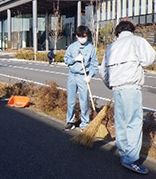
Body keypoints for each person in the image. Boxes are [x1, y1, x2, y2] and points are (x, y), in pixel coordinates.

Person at [99, 21, 155, 175]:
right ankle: (130, 159)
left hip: (117, 88)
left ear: (117, 32)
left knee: (121, 122)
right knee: (133, 123)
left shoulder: (111, 47)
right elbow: (149, 59)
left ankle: (124, 153)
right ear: (132, 30)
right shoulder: (137, 41)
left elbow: (103, 71)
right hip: (131, 87)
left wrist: (110, 84)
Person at [63, 25, 98, 131]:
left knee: (84, 101)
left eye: (84, 36)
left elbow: (94, 64)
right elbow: (66, 59)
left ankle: (85, 123)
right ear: (77, 36)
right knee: (71, 100)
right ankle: (70, 121)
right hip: (72, 75)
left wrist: (90, 76)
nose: (82, 39)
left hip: (84, 76)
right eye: (80, 36)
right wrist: (75, 59)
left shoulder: (91, 48)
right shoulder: (72, 47)